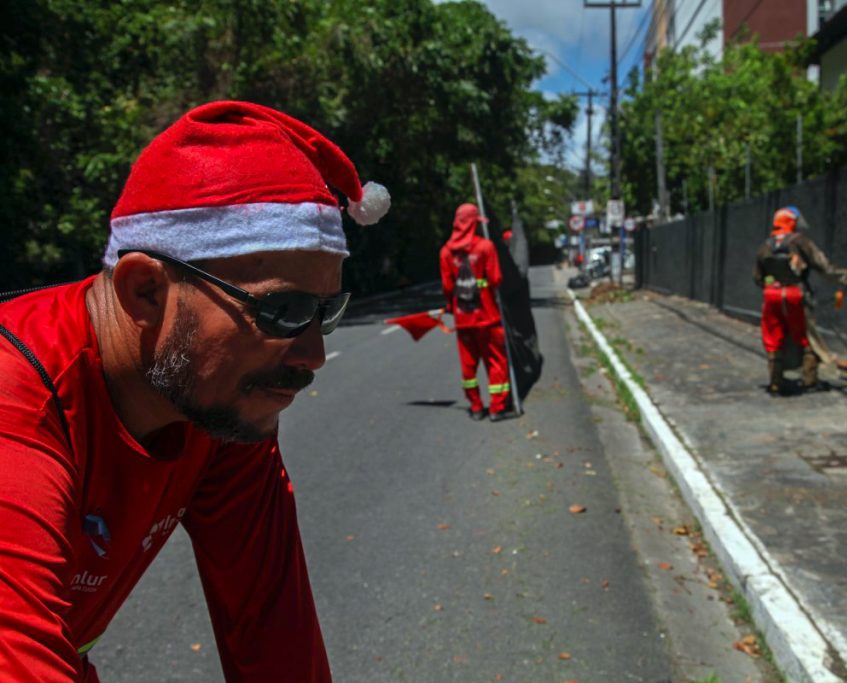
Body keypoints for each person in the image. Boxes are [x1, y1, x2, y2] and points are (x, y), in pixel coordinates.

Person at [0, 101, 390, 681]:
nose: (312, 356)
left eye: (325, 312)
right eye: (282, 310)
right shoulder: (16, 405)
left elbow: (275, 638)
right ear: (145, 292)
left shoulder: (215, 405)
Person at [753, 206, 847, 394]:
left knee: (774, 338)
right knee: (807, 338)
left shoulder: (765, 246)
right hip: (796, 296)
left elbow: (757, 278)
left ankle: (775, 382)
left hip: (772, 297)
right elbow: (825, 267)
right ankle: (810, 380)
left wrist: (773, 286)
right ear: (792, 222)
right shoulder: (800, 241)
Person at [439, 204, 513, 422]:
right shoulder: (485, 247)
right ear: (474, 223)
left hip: (463, 320)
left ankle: (476, 406)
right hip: (488, 317)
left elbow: (446, 287)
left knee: (468, 366)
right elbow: (496, 279)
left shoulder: (445, 253)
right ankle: (497, 408)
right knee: (496, 363)